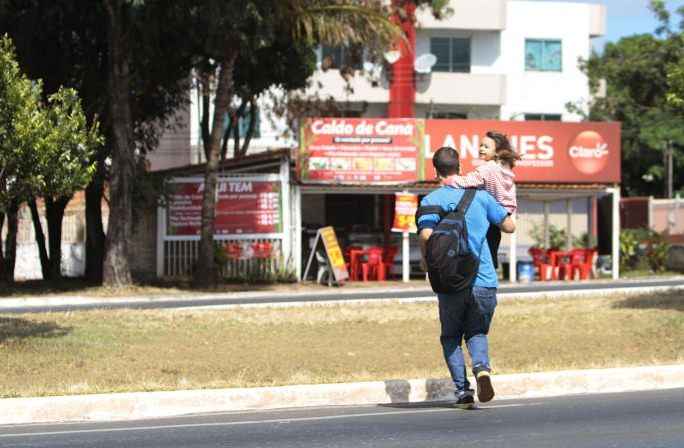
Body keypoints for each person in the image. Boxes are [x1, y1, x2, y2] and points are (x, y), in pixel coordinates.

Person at [417, 146, 516, 408]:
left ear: (435, 171)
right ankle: (482, 368)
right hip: (483, 278)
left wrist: (427, 263)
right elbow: (509, 225)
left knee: (451, 336)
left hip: (450, 281)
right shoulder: (481, 197)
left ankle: (463, 393)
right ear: (460, 169)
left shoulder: (430, 200)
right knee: (477, 332)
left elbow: (426, 235)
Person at [441, 131, 518, 269]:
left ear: (497, 152)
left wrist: (448, 179)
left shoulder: (487, 169)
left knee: (481, 250)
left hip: (491, 215)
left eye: (486, 147)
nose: (481, 149)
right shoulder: (504, 169)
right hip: (503, 213)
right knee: (492, 247)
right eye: (481, 145)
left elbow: (465, 182)